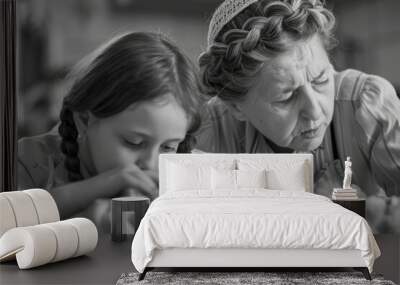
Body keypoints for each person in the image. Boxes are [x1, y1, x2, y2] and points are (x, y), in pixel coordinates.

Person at [197, 0, 400, 233]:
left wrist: (364, 211)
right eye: (285, 97)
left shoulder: (366, 102)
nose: (315, 110)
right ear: (236, 107)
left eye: (321, 79)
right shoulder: (210, 129)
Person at [18, 32, 202, 228]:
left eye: (168, 147)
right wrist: (99, 190)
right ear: (84, 120)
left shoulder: (190, 171)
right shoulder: (27, 161)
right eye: (134, 142)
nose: (149, 164)